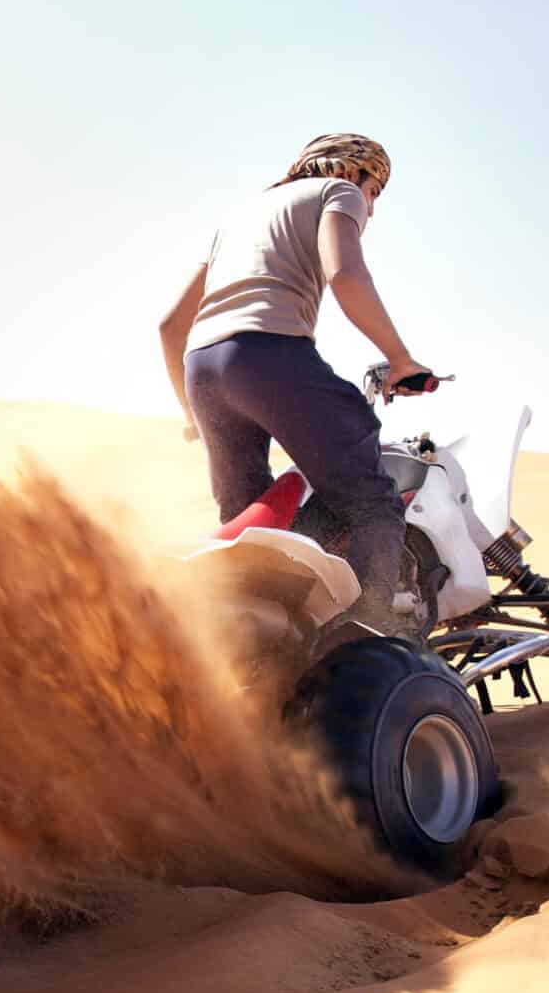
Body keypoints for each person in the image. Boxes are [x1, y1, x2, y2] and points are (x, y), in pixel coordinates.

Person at [156, 133, 437, 631]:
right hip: (271, 357)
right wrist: (399, 359)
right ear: (359, 172)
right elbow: (346, 276)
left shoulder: (240, 216)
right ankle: (370, 636)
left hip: (204, 368)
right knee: (373, 499)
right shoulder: (338, 192)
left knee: (254, 530)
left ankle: (257, 636)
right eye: (377, 193)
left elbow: (171, 325)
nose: (371, 209)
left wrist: (189, 412)